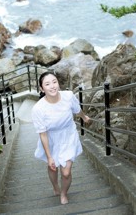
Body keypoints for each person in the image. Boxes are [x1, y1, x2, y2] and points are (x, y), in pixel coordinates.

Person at [31, 71, 90, 205]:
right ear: (41, 88)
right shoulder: (38, 109)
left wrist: (84, 117)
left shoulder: (68, 96)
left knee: (66, 172)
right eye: (47, 84)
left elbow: (77, 110)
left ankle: (63, 193)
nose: (52, 86)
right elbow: (43, 134)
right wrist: (49, 156)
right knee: (52, 166)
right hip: (50, 139)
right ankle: (55, 187)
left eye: (54, 82)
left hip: (68, 135)